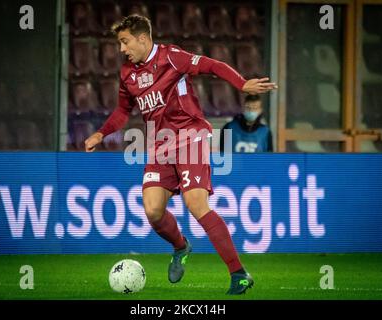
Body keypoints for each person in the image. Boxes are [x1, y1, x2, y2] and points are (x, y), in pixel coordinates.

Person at [85, 14, 277, 295]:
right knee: (152, 210)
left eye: (125, 42)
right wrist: (101, 133)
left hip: (190, 136)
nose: (122, 49)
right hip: (159, 145)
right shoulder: (127, 73)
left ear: (142, 38)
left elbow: (212, 64)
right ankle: (180, 246)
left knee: (196, 204)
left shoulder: (171, 57)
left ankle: (239, 274)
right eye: (120, 44)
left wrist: (241, 84)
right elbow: (123, 110)